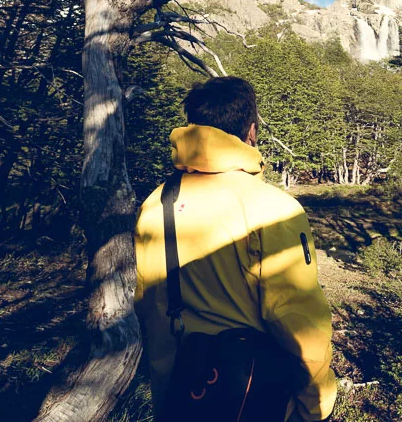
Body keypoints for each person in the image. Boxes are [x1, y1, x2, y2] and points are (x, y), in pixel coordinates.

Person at [134, 76, 336, 422]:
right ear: (251, 131)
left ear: (192, 126)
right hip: (251, 398)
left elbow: (148, 305)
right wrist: (318, 404)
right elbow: (299, 321)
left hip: (179, 396)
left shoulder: (156, 203)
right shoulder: (274, 208)